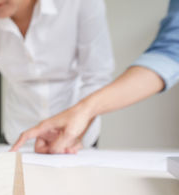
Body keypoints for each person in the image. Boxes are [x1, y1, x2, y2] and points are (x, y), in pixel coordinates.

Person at [11, 0, 179, 154]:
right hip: (19, 135)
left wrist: (83, 114)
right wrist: (83, 112)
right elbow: (171, 51)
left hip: (74, 137)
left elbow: (171, 52)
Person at [0, 0, 114, 148]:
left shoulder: (80, 4)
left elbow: (97, 78)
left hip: (79, 136)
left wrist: (74, 134)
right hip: (17, 137)